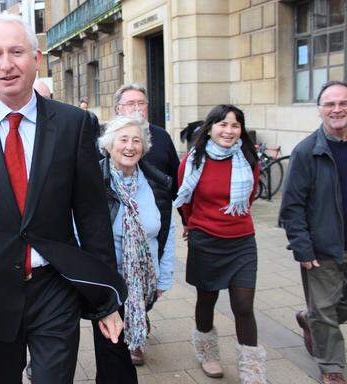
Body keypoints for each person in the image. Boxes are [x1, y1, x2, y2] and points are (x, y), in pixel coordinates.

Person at [0, 14, 126, 384]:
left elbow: (92, 215)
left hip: (55, 288)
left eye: (17, 52)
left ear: (36, 58)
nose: (7, 64)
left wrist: (105, 301)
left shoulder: (73, 124)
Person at [175, 104, 266, 381]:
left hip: (241, 241)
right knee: (207, 298)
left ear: (241, 130)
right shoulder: (194, 159)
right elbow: (184, 200)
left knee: (243, 305)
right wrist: (194, 225)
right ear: (211, 128)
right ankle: (207, 352)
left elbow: (248, 199)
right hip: (205, 240)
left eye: (235, 125)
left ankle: (252, 369)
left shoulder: (249, 159)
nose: (229, 130)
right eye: (223, 124)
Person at [93, 115, 175, 383]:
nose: (130, 146)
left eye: (136, 140)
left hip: (142, 284)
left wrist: (164, 276)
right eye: (123, 139)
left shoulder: (156, 182)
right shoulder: (92, 182)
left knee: (115, 355)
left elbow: (167, 231)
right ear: (108, 144)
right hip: (107, 287)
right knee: (114, 352)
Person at [280, 81, 347, 384]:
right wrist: (302, 248)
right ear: (320, 110)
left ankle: (311, 321)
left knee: (327, 311)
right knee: (324, 308)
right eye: (330, 104)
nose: (337, 109)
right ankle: (332, 366)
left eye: (343, 103)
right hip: (323, 248)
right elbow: (292, 207)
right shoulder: (307, 152)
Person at [113, 83, 180, 364]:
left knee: (142, 289)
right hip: (114, 258)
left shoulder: (162, 138)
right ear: (118, 109)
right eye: (130, 103)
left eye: (141, 102)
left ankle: (138, 321)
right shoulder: (106, 146)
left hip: (152, 221)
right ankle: (130, 336)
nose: (137, 108)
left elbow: (173, 180)